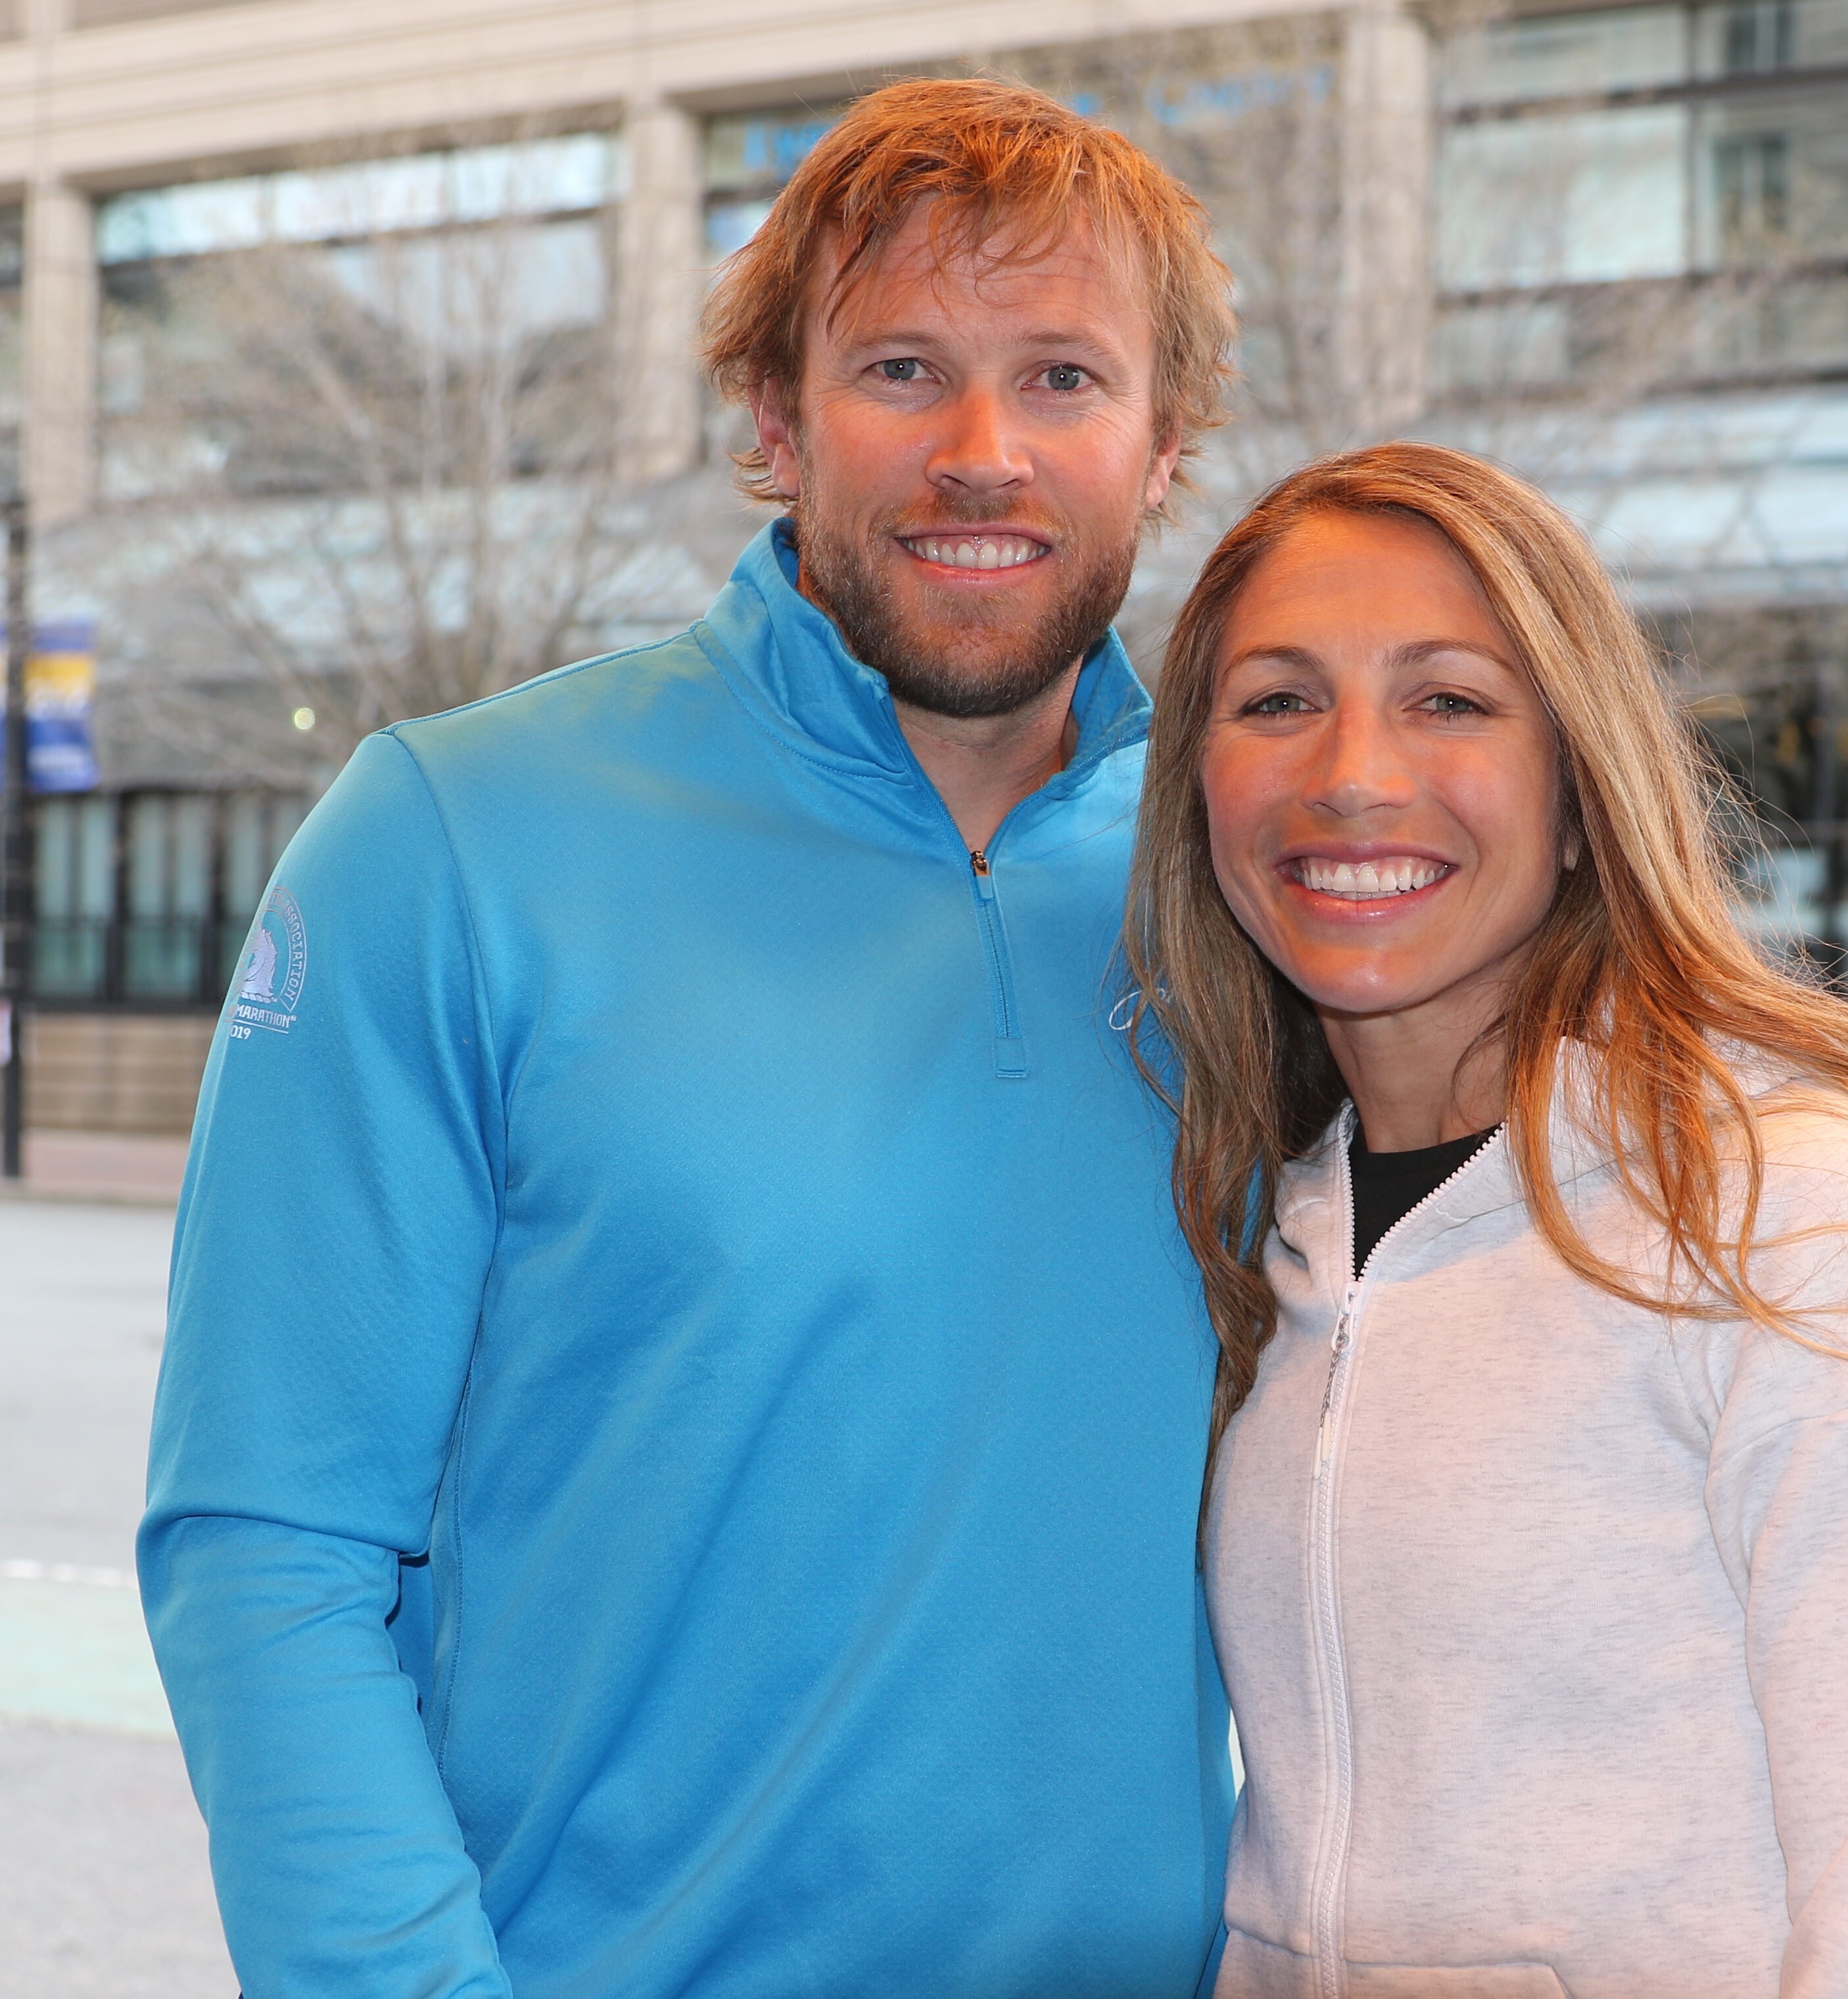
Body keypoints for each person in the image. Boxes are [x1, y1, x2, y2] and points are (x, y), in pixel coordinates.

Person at [141, 80, 1239, 1997]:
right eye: (903, 368)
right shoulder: (451, 839)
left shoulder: (1247, 886)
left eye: (1064, 377)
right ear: (775, 421)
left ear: (1164, 448)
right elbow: (269, 1545)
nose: (983, 454)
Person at [1126, 442, 1848, 1998]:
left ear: (1579, 791)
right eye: (1278, 699)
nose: (1352, 771)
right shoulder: (1266, 1226)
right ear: (1198, 791)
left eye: (1449, 699)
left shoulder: (1777, 1205)